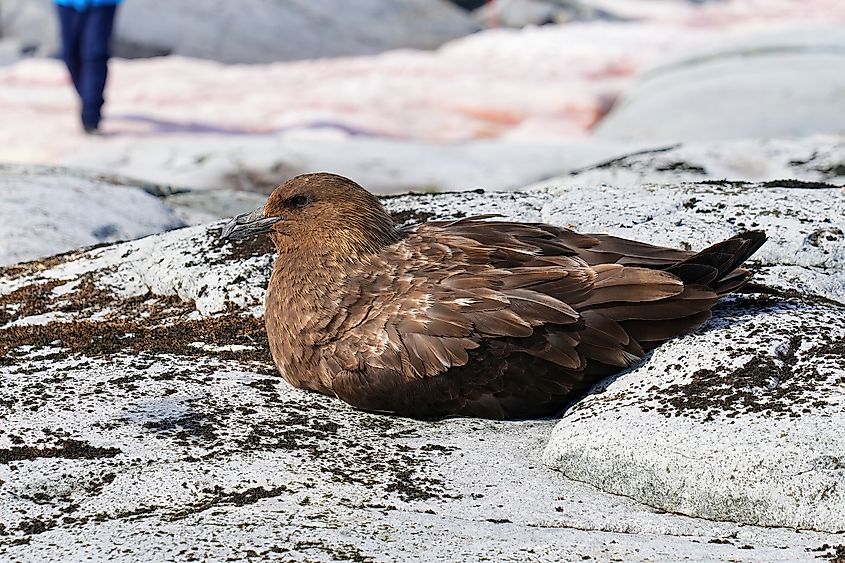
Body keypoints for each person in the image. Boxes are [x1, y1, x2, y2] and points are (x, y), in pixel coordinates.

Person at [54, 0, 123, 134]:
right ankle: (89, 97)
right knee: (70, 55)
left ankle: (91, 114)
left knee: (95, 55)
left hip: (102, 4)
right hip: (67, 3)